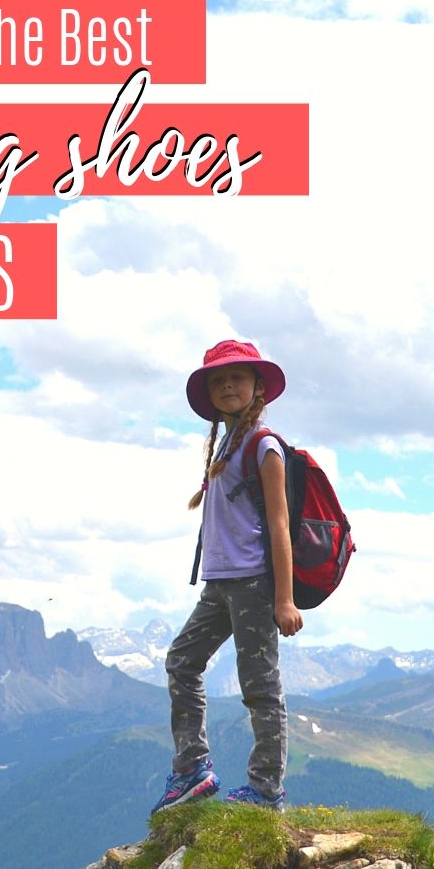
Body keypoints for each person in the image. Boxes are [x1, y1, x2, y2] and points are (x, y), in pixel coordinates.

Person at [151, 339, 303, 814]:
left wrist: (284, 599)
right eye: (218, 380)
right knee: (182, 660)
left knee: (260, 686)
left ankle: (266, 791)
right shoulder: (222, 443)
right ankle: (193, 768)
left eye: (237, 377)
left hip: (255, 583)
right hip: (220, 584)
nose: (227, 386)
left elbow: (279, 524)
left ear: (258, 386)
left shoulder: (265, 446)